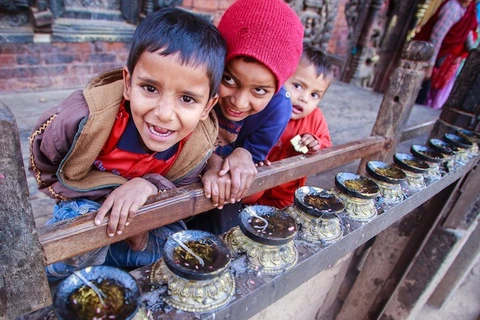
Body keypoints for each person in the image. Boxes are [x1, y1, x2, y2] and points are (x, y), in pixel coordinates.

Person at [28, 7, 226, 281]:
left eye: (187, 99)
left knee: (176, 245)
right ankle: (54, 276)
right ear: (128, 83)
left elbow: (180, 190)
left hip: (143, 212)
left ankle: (124, 250)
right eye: (150, 88)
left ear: (208, 106)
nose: (165, 113)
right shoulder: (83, 119)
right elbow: (45, 161)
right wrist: (89, 198)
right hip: (88, 204)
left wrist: (148, 188)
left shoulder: (195, 146)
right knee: (81, 233)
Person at [186, 0, 304, 234]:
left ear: (276, 88)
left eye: (259, 90)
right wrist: (210, 160)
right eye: (228, 79)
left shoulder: (278, 109)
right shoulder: (199, 81)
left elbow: (253, 156)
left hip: (221, 190)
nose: (238, 103)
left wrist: (245, 153)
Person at [243, 46, 333, 209]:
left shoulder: (315, 118)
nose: (304, 98)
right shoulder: (267, 108)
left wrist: (315, 143)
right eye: (298, 86)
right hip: (252, 185)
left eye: (314, 95)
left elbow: (326, 150)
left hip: (286, 193)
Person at [415, 0, 478, 109]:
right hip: (428, 57)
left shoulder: (468, 9)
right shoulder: (452, 7)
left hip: (446, 60)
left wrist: (473, 53)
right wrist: (430, 65)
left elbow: (466, 32)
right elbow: (436, 38)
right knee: (420, 94)